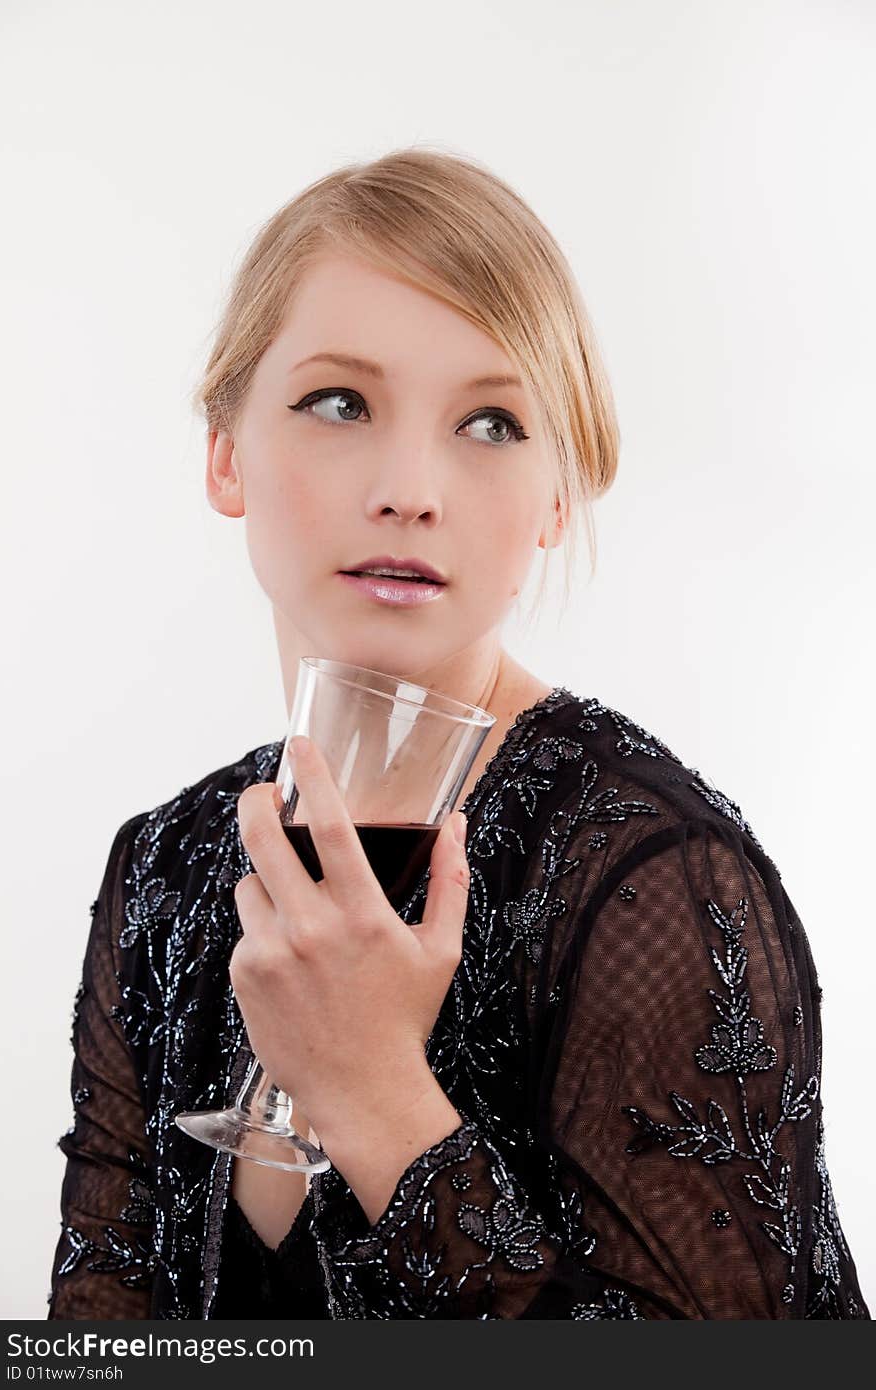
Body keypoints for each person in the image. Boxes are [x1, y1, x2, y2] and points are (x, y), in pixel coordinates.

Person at [47, 147, 869, 1320]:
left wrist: (378, 1095)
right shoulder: (166, 869)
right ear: (226, 452)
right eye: (340, 403)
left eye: (489, 422)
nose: (409, 486)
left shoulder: (653, 878)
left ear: (555, 499)